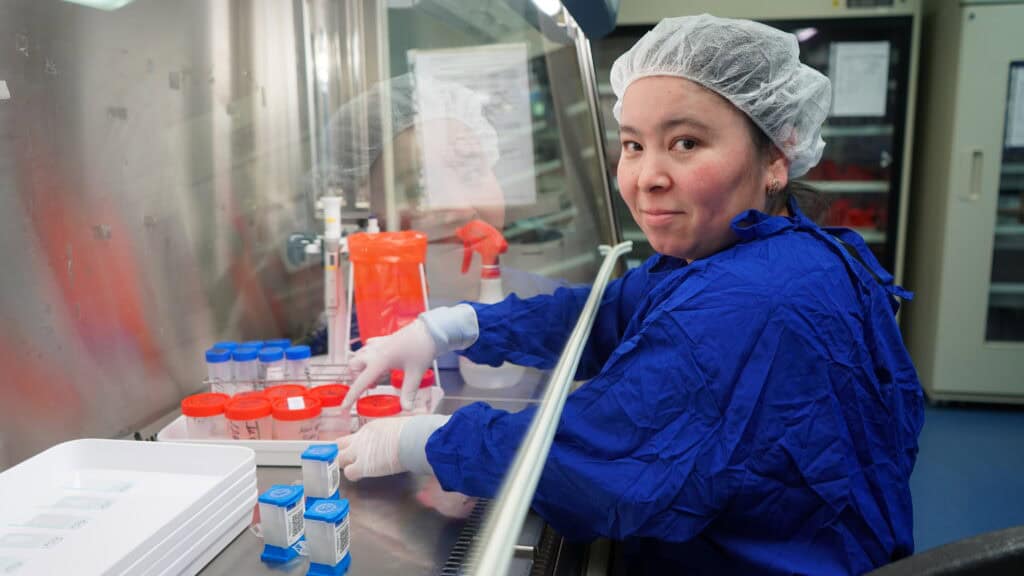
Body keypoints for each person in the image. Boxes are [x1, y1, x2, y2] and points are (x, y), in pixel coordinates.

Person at [337, 14, 925, 575]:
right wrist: (455, 326)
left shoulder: (750, 299)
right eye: (635, 144)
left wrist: (422, 440)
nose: (646, 176)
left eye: (687, 143)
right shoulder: (758, 247)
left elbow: (596, 459)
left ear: (776, 153)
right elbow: (606, 311)